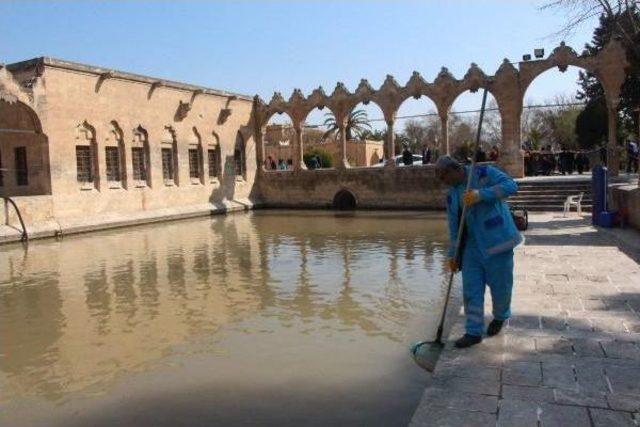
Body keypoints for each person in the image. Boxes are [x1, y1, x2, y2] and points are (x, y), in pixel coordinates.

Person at [435, 155, 522, 348]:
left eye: (444, 177)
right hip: (471, 247)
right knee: (471, 290)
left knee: (501, 287)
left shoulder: (484, 174)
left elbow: (511, 186)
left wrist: (481, 195)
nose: (444, 183)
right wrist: (453, 254)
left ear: (454, 170)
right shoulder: (451, 195)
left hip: (497, 240)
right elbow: (454, 226)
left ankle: (500, 317)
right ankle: (473, 331)